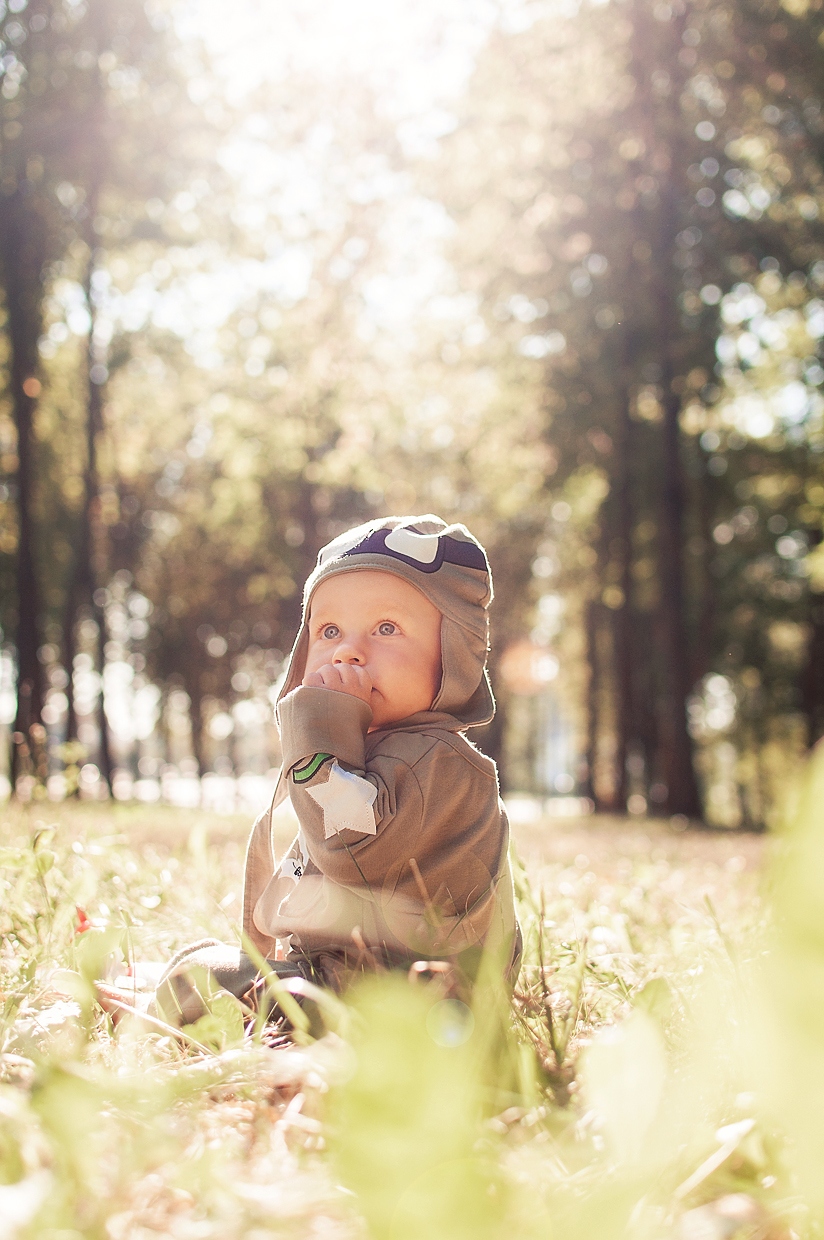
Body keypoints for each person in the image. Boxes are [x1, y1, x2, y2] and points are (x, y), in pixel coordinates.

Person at [152, 514, 520, 1026]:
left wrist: (321, 731)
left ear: (457, 653)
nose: (348, 649)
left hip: (400, 1004)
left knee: (199, 979)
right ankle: (171, 1000)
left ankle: (170, 1007)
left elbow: (350, 845)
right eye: (328, 631)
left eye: (386, 628)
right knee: (200, 967)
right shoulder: (374, 750)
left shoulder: (436, 763)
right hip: (351, 983)